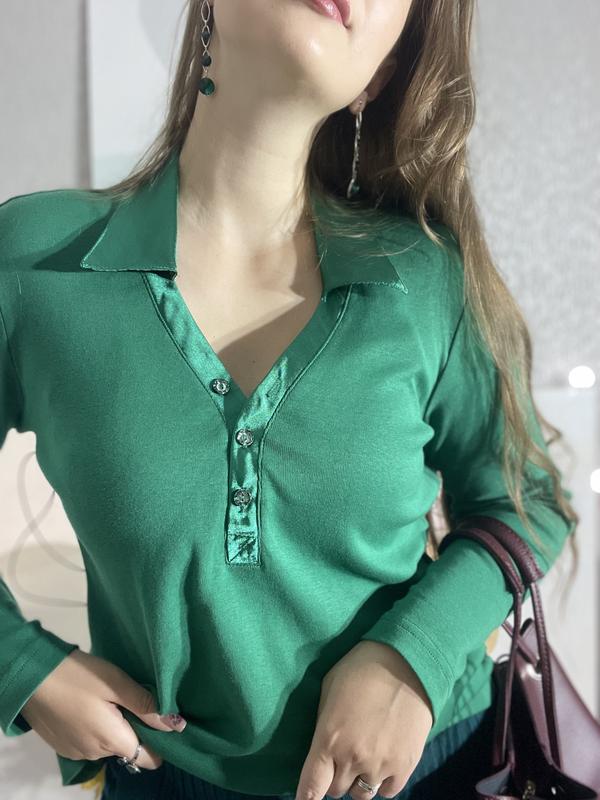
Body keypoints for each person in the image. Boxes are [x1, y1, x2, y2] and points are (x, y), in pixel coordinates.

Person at [0, 1, 578, 799]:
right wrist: (24, 669)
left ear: (381, 72)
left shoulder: (426, 279)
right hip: (168, 778)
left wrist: (412, 657)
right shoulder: (34, 264)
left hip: (436, 767)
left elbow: (529, 500)